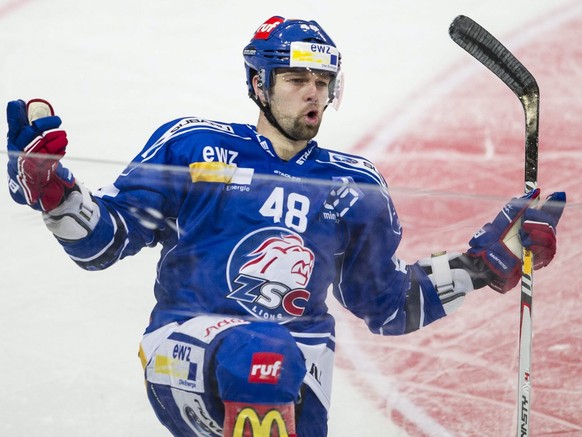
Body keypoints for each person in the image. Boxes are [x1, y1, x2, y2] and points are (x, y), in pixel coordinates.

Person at [6, 15, 565, 437]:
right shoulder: (193, 144)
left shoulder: (355, 185)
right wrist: (57, 194)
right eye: (297, 78)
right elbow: (105, 243)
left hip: (302, 366)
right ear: (259, 84)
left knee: (274, 357)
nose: (313, 93)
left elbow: (387, 306)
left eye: (322, 81)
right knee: (260, 353)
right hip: (186, 346)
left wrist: (486, 264)